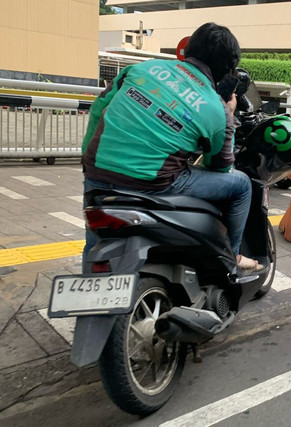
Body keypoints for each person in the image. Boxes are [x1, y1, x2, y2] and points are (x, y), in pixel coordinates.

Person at [81, 22, 261, 271]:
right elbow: (219, 167)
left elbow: (98, 108)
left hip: (97, 174)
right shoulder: (217, 109)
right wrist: (228, 116)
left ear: (189, 50)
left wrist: (86, 158)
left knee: (94, 247)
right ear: (226, 70)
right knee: (241, 186)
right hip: (152, 185)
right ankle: (231, 258)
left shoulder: (139, 70)